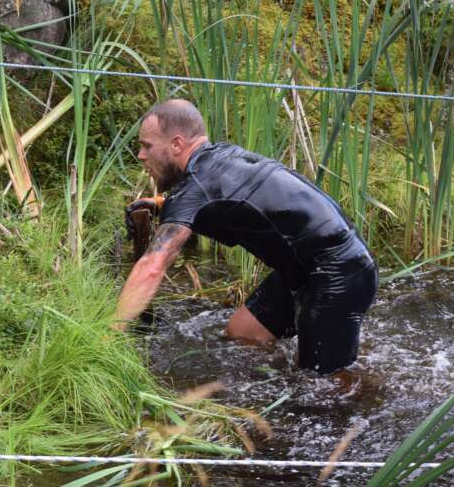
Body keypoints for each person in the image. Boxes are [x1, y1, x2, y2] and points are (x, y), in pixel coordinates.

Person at [115, 99, 377, 375]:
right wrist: (160, 204)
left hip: (340, 273)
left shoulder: (195, 188)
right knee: (242, 335)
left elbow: (152, 267)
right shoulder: (218, 158)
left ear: (177, 144)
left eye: (147, 146)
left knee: (323, 387)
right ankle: (266, 381)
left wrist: (111, 331)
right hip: (307, 267)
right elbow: (211, 199)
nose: (141, 155)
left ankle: (364, 392)